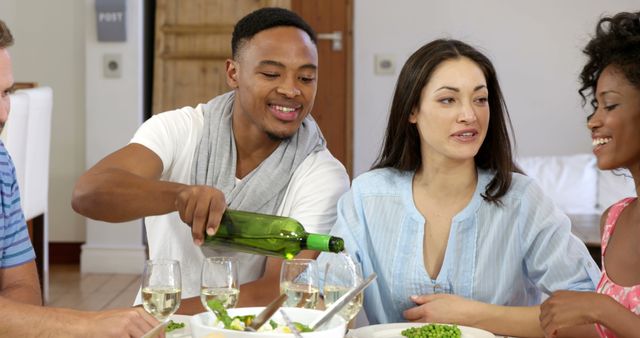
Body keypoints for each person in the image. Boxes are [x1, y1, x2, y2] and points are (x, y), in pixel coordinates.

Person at [72, 7, 349, 313]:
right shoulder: (179, 129)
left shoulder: (323, 174)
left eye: (307, 77)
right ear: (233, 73)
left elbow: (277, 290)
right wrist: (180, 196)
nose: (291, 89)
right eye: (271, 74)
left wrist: (146, 317)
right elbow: (88, 193)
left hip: (236, 328)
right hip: (159, 325)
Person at [317, 39, 600, 337]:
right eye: (448, 100)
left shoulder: (522, 200)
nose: (470, 115)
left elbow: (592, 319)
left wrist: (476, 315)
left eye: (480, 99)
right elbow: (325, 301)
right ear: (412, 110)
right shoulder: (368, 196)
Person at [0, 19, 160, 338]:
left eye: (5, 93)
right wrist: (86, 324)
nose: (3, 114)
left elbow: (22, 286)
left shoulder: (2, 162)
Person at [539, 11, 640, 338]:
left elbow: (606, 316)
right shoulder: (614, 219)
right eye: (594, 105)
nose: (593, 121)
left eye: (609, 106)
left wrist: (599, 307)